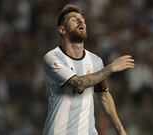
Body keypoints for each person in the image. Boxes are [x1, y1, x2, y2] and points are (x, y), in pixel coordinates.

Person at [42, 4, 134, 135]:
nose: (80, 21)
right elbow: (78, 83)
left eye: (83, 20)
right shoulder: (53, 58)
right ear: (62, 30)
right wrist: (111, 68)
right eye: (74, 19)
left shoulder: (95, 61)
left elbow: (103, 95)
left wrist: (120, 129)